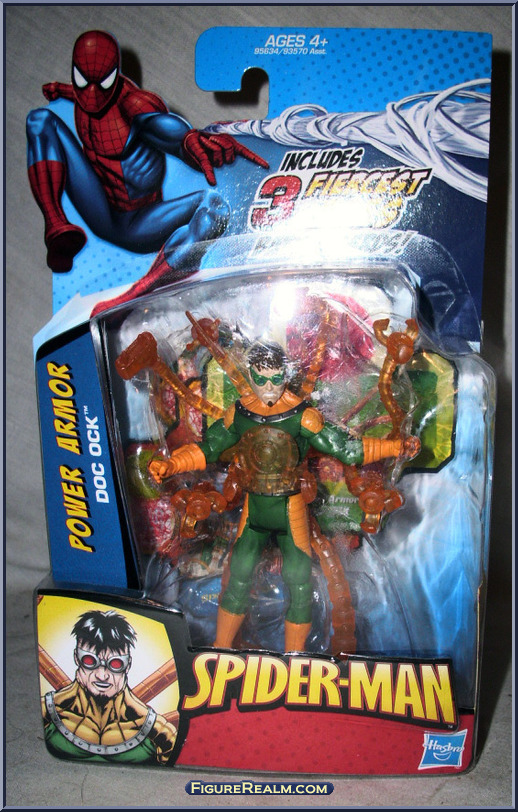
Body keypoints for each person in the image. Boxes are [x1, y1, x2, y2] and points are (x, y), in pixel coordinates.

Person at [149, 340, 415, 653]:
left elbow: (346, 448)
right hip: (255, 508)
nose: (269, 387)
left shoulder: (303, 416)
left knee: (299, 581)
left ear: (285, 375)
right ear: (251, 374)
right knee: (239, 575)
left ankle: (295, 657)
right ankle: (221, 649)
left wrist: (395, 447)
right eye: (261, 379)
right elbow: (208, 448)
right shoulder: (240, 413)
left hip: (291, 508)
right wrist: (171, 464)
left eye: (276, 378)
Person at [26, 29, 268, 291]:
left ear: (114, 75)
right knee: (40, 120)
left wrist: (187, 140)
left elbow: (161, 126)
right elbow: (88, 93)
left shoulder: (134, 104)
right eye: (83, 82)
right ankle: (56, 226)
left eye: (103, 84)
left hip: (141, 223)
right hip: (99, 210)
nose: (91, 95)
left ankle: (142, 290)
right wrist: (61, 90)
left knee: (214, 205)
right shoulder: (83, 96)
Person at [42, 610, 177, 764]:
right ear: (76, 658)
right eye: (90, 661)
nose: (102, 675)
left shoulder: (158, 730)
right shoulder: (48, 711)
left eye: (115, 664)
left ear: (128, 664)